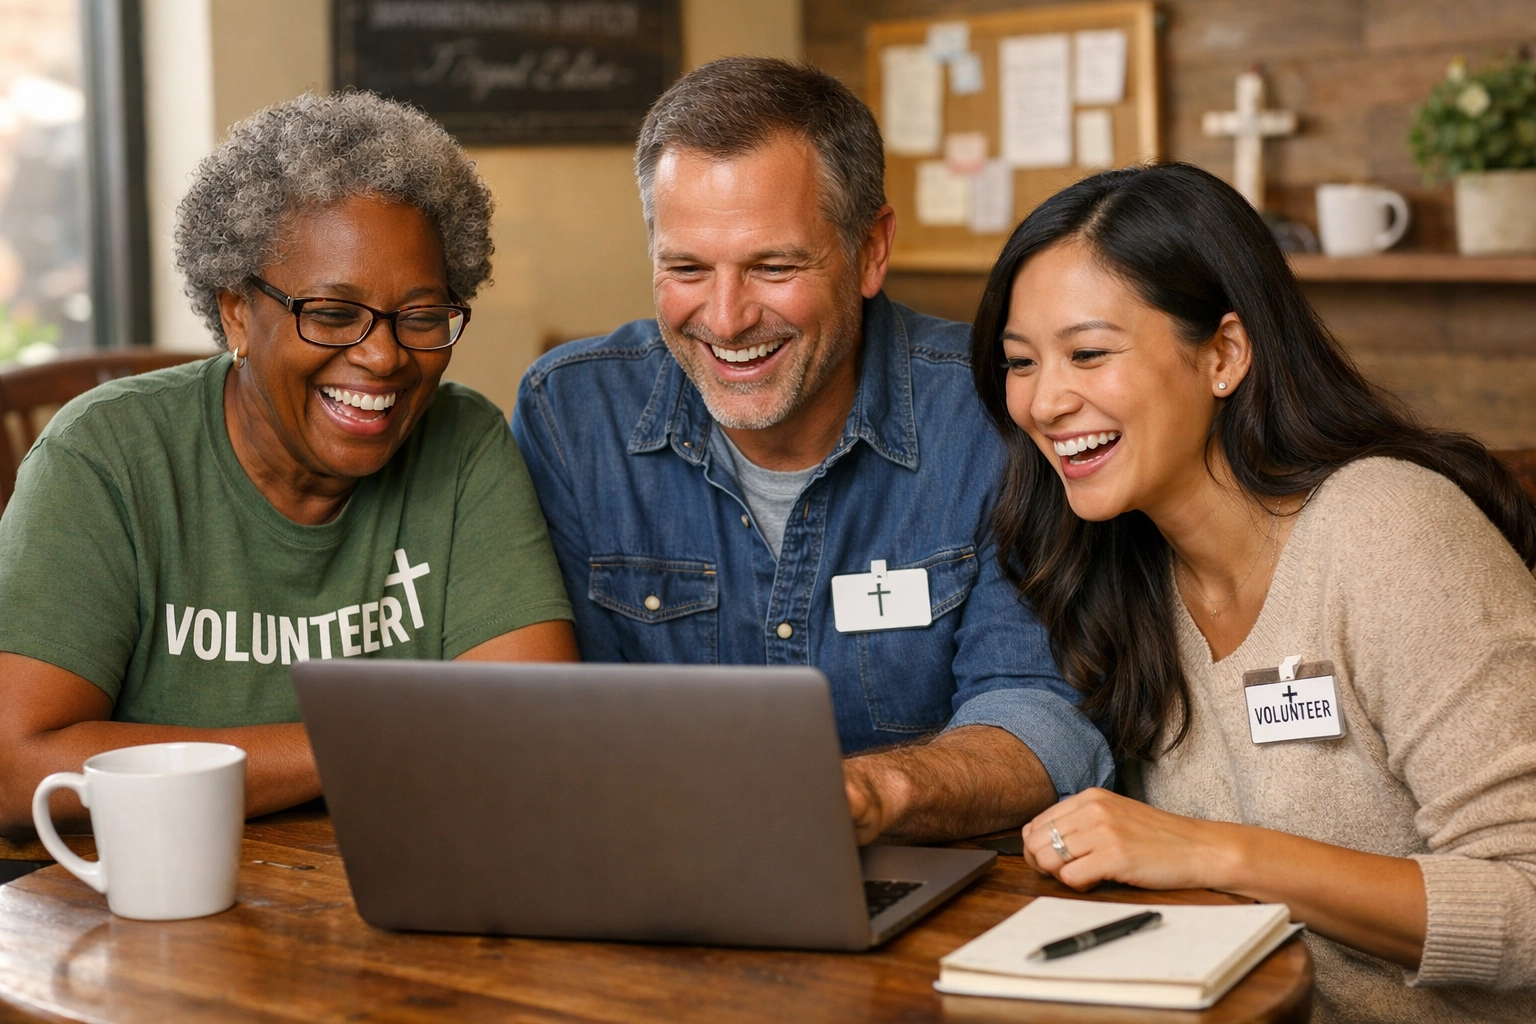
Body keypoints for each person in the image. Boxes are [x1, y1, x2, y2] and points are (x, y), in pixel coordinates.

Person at [969, 162, 1536, 1022]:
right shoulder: (1119, 570)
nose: (1046, 400)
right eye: (1021, 362)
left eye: (1088, 353)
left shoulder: (1388, 529)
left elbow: (1527, 900)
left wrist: (1213, 854)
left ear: (1225, 354)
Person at [513, 58, 1113, 845]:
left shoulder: (993, 410)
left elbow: (1045, 717)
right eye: (687, 268)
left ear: (870, 250)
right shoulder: (569, 414)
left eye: (773, 266)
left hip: (935, 898)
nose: (726, 320)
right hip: (657, 874)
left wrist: (871, 792)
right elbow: (548, 720)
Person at [0, 93, 578, 832]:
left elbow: (531, 730)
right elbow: (20, 771)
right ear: (238, 312)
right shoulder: (106, 455)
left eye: (422, 317)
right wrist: (361, 745)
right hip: (150, 914)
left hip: (395, 892)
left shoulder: (462, 441)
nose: (383, 356)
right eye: (333, 313)